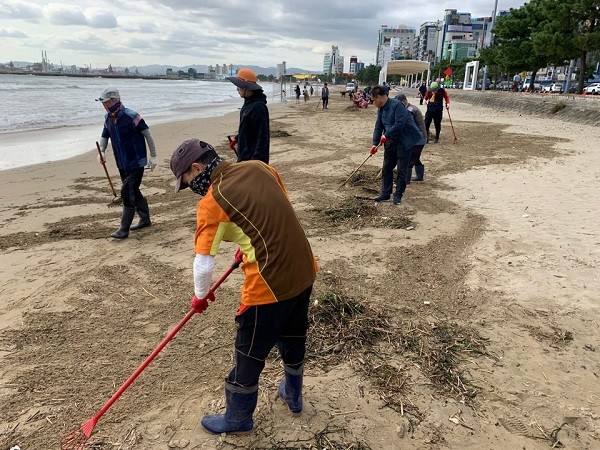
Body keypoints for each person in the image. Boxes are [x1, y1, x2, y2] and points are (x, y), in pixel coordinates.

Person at [169, 138, 317, 435]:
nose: (189, 188)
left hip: (269, 283)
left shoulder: (212, 202)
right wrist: (248, 242)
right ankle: (294, 394)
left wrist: (200, 298)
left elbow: (203, 264)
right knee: (293, 333)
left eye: (186, 181)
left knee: (249, 349)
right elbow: (275, 209)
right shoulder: (259, 167)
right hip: (304, 268)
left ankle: (238, 419)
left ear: (197, 168)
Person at [96, 86, 157, 239]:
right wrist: (102, 151)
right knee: (133, 191)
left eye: (106, 102)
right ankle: (145, 219)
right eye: (103, 103)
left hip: (136, 162)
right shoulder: (107, 118)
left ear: (115, 100)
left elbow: (147, 135)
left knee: (126, 193)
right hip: (121, 162)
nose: (104, 105)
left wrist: (153, 156)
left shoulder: (132, 116)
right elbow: (105, 136)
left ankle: (124, 229)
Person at [369, 85, 422, 205]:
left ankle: (398, 195)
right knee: (387, 167)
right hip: (390, 142)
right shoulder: (381, 109)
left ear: (379, 97)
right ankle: (385, 193)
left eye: (373, 100)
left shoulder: (397, 106)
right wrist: (374, 144)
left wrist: (387, 135)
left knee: (401, 170)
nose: (373, 103)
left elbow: (400, 124)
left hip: (404, 141)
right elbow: (378, 127)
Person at [226, 68, 270, 164]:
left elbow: (262, 137)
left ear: (247, 87)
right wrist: (237, 138)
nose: (237, 89)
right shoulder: (248, 103)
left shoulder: (258, 107)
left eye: (239, 86)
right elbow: (249, 128)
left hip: (253, 161)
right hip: (244, 157)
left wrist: (255, 162)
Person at [395, 93, 426, 183]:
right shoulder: (409, 108)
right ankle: (420, 176)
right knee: (415, 158)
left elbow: (408, 126)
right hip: (418, 137)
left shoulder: (410, 110)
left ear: (404, 101)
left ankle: (405, 180)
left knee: (409, 160)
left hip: (418, 139)